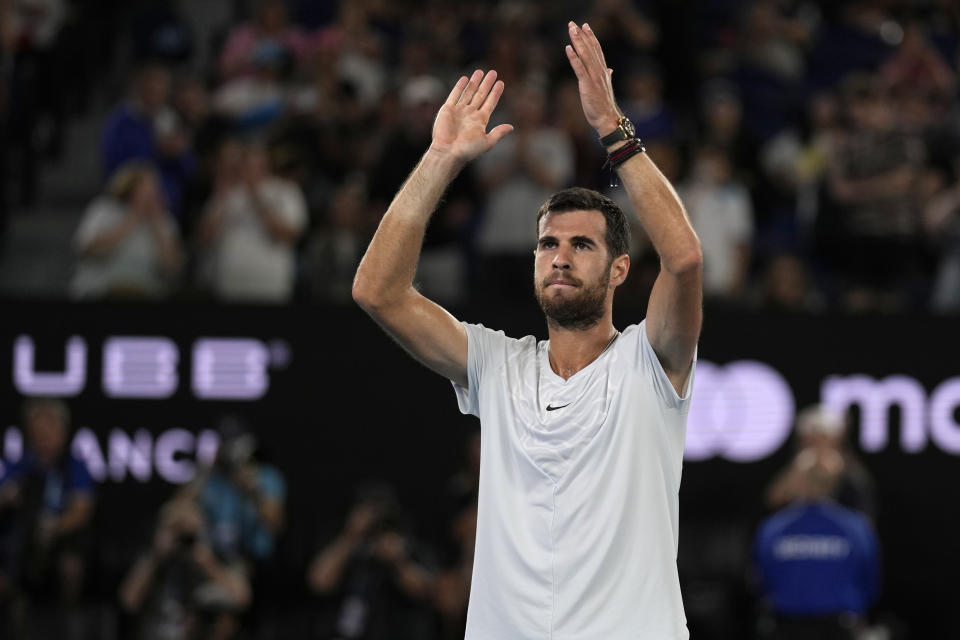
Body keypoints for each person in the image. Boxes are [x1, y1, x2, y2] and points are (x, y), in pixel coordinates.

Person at [352, 21, 702, 640]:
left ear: (621, 268)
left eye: (581, 245)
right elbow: (377, 292)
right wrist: (439, 160)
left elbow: (684, 259)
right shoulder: (497, 364)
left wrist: (612, 131)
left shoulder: (650, 361)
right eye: (548, 244)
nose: (560, 256)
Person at [753, 448, 881, 640]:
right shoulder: (856, 527)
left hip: (788, 628)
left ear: (797, 482)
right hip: (837, 627)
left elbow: (761, 581)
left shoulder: (773, 528)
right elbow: (870, 583)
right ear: (835, 483)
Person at [0, 398, 95, 640]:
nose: (41, 439)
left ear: (62, 431)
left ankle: (68, 622)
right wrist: (7, 497)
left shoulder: (74, 465)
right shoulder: (20, 466)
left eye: (47, 431)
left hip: (59, 543)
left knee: (71, 563)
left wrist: (54, 527)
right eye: (36, 432)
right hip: (18, 547)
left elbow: (82, 508)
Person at [118, 496, 252, 640]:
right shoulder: (153, 558)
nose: (182, 539)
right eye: (176, 530)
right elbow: (128, 601)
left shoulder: (215, 557)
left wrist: (208, 564)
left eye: (189, 532)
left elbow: (242, 599)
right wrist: (156, 557)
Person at [70, 161, 184, 299]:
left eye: (155, 189)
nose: (151, 194)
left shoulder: (164, 222)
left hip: (145, 295)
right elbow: (88, 249)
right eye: (145, 188)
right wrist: (132, 219)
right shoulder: (103, 210)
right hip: (101, 292)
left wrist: (157, 226)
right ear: (130, 188)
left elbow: (173, 269)